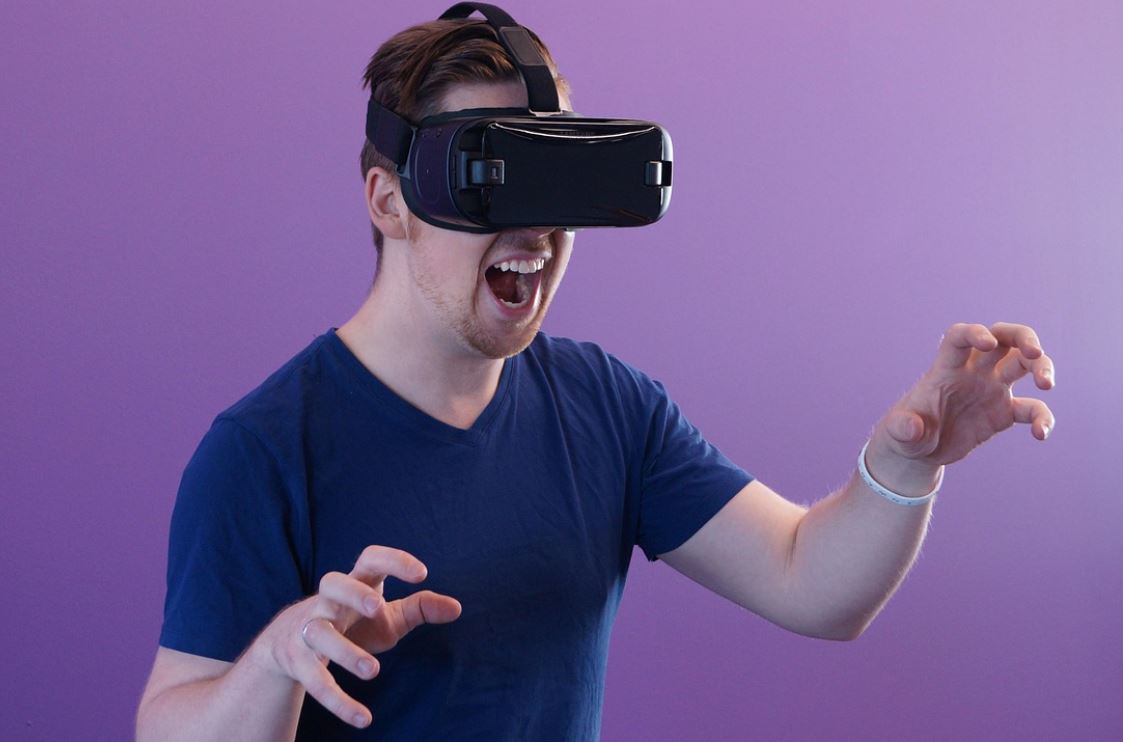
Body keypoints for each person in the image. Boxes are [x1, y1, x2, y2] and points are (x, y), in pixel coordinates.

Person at [134, 12, 1057, 742]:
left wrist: (904, 467)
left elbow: (810, 584)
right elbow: (171, 720)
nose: (537, 230)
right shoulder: (265, 450)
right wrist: (277, 659)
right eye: (490, 180)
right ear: (389, 202)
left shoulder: (607, 405)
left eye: (558, 180)